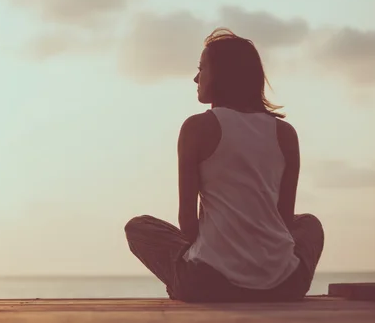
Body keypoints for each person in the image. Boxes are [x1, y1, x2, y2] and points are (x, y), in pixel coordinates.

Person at [124, 27, 325, 303]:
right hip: (284, 284)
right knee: (309, 224)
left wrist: (211, 253)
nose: (196, 78)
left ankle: (184, 285)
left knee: (139, 227)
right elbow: (284, 220)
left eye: (202, 69)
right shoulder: (286, 134)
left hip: (208, 282)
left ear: (222, 75)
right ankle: (252, 279)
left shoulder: (197, 127)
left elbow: (188, 224)